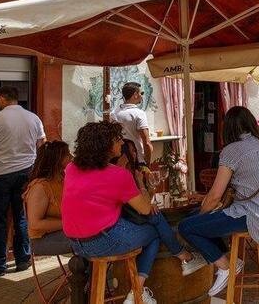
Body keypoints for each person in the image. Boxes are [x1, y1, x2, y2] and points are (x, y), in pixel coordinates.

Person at [63, 121, 205, 304]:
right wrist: (139, 182)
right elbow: (146, 208)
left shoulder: (71, 168)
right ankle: (143, 287)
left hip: (75, 243)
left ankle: (182, 259)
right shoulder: (117, 175)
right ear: (105, 146)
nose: (121, 143)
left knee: (152, 222)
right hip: (103, 240)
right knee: (155, 229)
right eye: (117, 140)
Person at [179, 106, 259, 297]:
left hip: (248, 215)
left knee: (186, 226)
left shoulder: (232, 150)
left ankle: (225, 265)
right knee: (197, 220)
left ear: (228, 127)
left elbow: (215, 195)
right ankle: (218, 257)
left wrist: (201, 214)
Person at [0, 86, 45, 277]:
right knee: (21, 216)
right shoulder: (33, 117)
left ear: (0, 98)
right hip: (26, 173)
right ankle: (23, 260)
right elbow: (42, 143)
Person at [23, 141, 73, 257]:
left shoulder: (61, 180)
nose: (71, 157)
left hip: (63, 231)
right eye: (67, 154)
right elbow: (35, 224)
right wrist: (70, 223)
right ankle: (81, 270)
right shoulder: (40, 187)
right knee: (90, 240)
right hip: (43, 239)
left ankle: (82, 269)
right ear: (57, 159)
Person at [112, 82, 153, 164]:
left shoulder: (113, 113)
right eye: (141, 93)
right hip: (136, 159)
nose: (142, 96)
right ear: (135, 94)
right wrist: (147, 163)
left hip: (118, 159)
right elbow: (147, 143)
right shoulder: (139, 114)